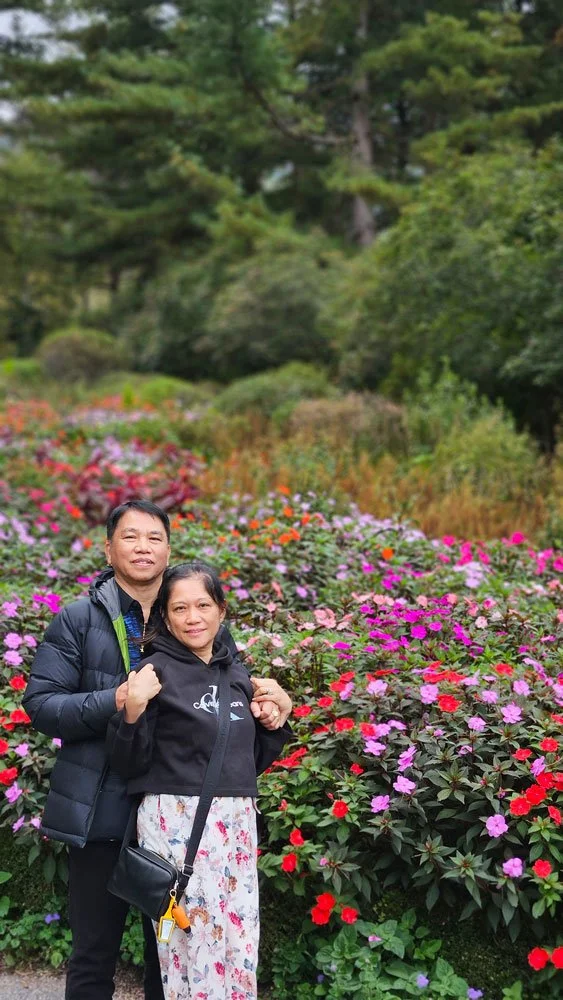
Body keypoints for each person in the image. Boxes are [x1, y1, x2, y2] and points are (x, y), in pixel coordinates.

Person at [23, 500, 290, 1000]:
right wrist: (116, 699)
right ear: (108, 548)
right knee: (93, 954)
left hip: (177, 821)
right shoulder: (79, 620)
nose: (143, 546)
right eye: (130, 536)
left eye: (154, 537)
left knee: (170, 958)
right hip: (103, 812)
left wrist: (273, 705)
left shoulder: (191, 616)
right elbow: (41, 706)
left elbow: (229, 705)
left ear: (168, 549)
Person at [106, 560, 293, 1000]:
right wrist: (131, 712)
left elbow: (248, 762)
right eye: (180, 608)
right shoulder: (154, 673)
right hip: (176, 822)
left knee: (240, 942)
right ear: (166, 618)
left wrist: (274, 720)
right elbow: (128, 763)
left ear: (221, 610)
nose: (193, 618)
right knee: (194, 948)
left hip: (235, 824)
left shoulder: (239, 676)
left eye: (203, 605)